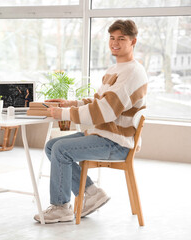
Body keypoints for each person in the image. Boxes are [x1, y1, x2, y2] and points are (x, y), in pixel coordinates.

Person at [34, 19, 148, 224]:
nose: (115, 43)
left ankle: (61, 207)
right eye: (112, 38)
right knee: (52, 146)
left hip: (116, 142)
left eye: (121, 39)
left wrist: (65, 114)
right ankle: (92, 192)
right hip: (104, 135)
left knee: (61, 149)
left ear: (133, 42)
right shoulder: (116, 69)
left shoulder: (132, 72)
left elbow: (106, 111)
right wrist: (69, 103)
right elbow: (98, 101)